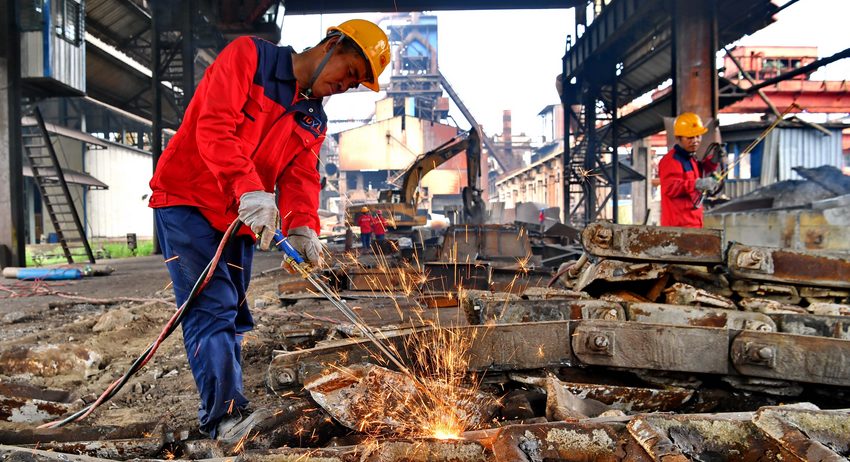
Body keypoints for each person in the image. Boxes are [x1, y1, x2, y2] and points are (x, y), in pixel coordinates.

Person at [147, 19, 390, 444]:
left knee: (233, 314)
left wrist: (302, 227)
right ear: (332, 45)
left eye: (354, 85)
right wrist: (249, 189)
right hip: (188, 199)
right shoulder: (249, 58)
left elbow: (301, 177)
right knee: (212, 306)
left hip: (241, 217)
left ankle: (229, 406)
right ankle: (223, 418)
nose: (344, 86)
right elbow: (214, 126)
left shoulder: (313, 118)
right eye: (350, 72)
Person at [658, 112, 720, 228]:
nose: (695, 141)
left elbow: (699, 171)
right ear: (678, 138)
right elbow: (670, 187)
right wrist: (696, 184)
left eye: (698, 136)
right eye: (690, 137)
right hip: (678, 227)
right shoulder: (671, 161)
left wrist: (713, 161)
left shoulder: (691, 159)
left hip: (693, 223)